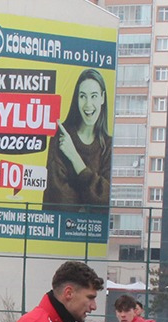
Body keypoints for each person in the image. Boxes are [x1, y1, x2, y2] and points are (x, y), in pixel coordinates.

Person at [43, 68, 111, 213]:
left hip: (94, 228)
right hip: (60, 226)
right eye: (82, 96)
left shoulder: (109, 146)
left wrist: (74, 157)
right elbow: (57, 199)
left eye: (94, 96)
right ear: (77, 99)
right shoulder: (61, 137)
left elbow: (105, 201)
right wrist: (90, 200)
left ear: (102, 98)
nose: (88, 104)